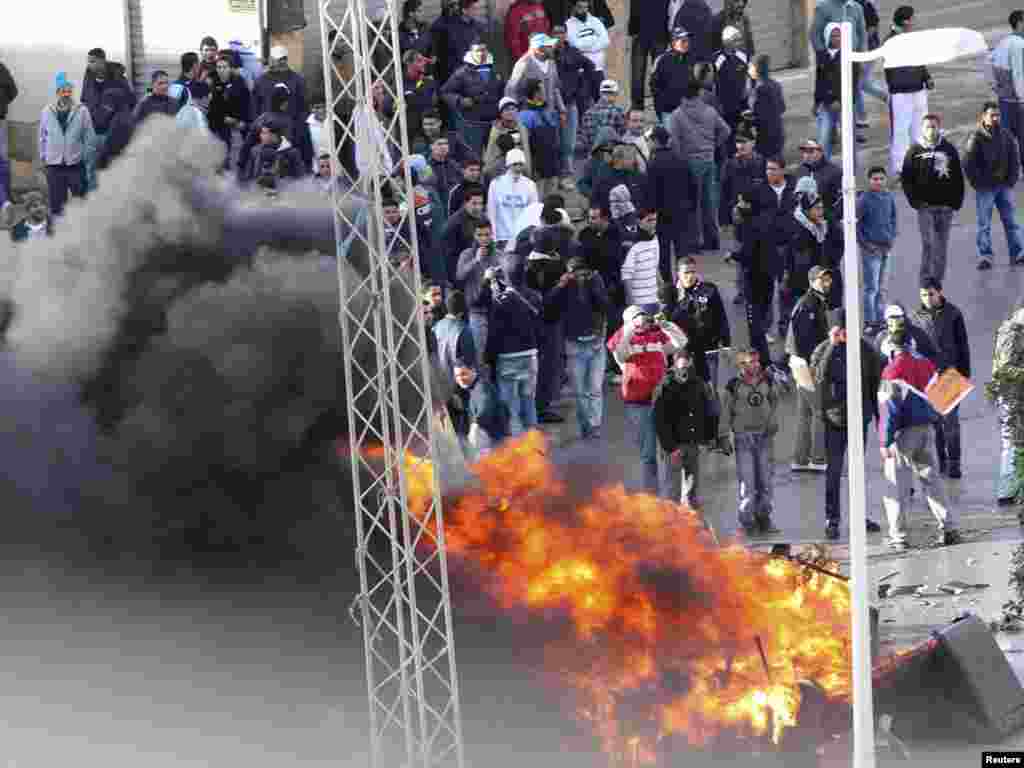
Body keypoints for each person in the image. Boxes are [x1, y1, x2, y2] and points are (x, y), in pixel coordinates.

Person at [878, 328, 961, 550]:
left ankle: (899, 536)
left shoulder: (892, 370)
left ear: (891, 348)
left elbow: (889, 410)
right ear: (911, 344)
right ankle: (949, 527)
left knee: (896, 486)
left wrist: (885, 441)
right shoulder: (926, 364)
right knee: (932, 480)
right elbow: (941, 395)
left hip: (903, 434)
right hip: (927, 430)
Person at [810, 308, 884, 540]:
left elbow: (875, 383)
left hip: (858, 417)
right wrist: (832, 346)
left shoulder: (864, 350)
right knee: (833, 472)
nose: (846, 334)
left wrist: (880, 421)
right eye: (841, 329)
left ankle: (859, 515)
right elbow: (818, 377)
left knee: (857, 471)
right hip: (834, 420)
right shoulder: (824, 349)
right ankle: (832, 519)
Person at [609, 305, 687, 493]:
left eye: (643, 316)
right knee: (648, 454)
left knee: (671, 449)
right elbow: (619, 353)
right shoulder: (624, 339)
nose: (643, 321)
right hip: (638, 403)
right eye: (638, 317)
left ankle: (672, 495)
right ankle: (652, 496)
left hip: (663, 400)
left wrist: (666, 325)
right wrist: (630, 327)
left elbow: (680, 342)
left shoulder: (656, 336)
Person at [548, 254, 611, 438]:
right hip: (574, 344)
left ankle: (594, 426)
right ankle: (586, 425)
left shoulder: (595, 283)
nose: (580, 279)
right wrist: (560, 286)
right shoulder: (564, 288)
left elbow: (606, 307)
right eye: (576, 275)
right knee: (580, 392)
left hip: (596, 344)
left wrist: (594, 287)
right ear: (569, 274)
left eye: (584, 274)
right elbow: (548, 307)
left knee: (595, 390)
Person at [912, 278, 970, 479]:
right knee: (936, 424)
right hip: (928, 377)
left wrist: (964, 374)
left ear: (939, 293)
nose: (927, 298)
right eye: (923, 295)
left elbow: (963, 345)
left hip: (950, 374)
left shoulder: (953, 314)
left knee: (951, 422)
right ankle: (942, 461)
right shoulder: (916, 317)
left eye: (930, 294)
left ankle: (954, 463)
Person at [673, 256, 731, 453]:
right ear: (678, 274)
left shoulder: (710, 289)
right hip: (684, 354)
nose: (690, 276)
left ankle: (714, 436)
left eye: (692, 272)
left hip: (709, 350)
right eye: (685, 272)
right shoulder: (671, 293)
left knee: (710, 392)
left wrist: (727, 343)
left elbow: (721, 316)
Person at [723, 347, 781, 535]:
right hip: (743, 439)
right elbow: (726, 411)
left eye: (757, 361)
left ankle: (764, 519)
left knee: (765, 482)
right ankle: (747, 522)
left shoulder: (768, 380)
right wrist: (724, 436)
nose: (756, 365)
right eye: (751, 361)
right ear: (742, 364)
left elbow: (774, 401)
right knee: (748, 484)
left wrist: (772, 422)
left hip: (764, 437)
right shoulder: (733, 385)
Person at [900, 114, 964, 284]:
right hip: (925, 207)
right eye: (927, 126)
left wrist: (955, 203)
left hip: (945, 207)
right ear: (922, 128)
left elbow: (958, 177)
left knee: (941, 246)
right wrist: (915, 202)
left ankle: (937, 280)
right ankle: (925, 279)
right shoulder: (914, 150)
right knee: (928, 244)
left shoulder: (948, 149)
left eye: (934, 126)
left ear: (939, 128)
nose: (930, 130)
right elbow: (906, 178)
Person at [669, 79, 730, 253]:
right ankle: (713, 240)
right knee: (709, 202)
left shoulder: (677, 115)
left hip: (689, 163)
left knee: (692, 204)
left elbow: (674, 143)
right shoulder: (710, 111)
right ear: (698, 93)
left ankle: (695, 241)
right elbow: (725, 131)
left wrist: (681, 159)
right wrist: (712, 145)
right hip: (708, 161)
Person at [653, 347, 715, 512]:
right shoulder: (665, 387)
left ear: (691, 363)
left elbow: (708, 412)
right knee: (672, 492)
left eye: (686, 367)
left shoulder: (699, 384)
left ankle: (692, 524)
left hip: (693, 444)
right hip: (674, 447)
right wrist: (670, 447)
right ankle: (672, 527)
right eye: (681, 368)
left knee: (693, 491)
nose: (684, 372)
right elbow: (660, 421)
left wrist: (706, 439)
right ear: (674, 366)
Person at [785, 264, 833, 473]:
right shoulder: (809, 304)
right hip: (806, 364)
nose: (826, 283)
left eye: (827, 279)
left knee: (805, 412)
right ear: (812, 281)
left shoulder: (812, 302)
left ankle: (800, 458)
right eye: (822, 279)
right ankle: (818, 457)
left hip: (801, 363)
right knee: (818, 411)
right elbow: (803, 339)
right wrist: (814, 366)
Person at [965, 101, 1023, 270]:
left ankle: (1018, 253)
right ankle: (985, 256)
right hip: (985, 189)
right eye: (992, 115)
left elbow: (1015, 160)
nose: (996, 118)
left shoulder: (1006, 135)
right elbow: (968, 164)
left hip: (1004, 187)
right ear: (983, 116)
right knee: (984, 224)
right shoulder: (975, 137)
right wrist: (979, 183)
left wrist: (1011, 180)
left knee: (1011, 222)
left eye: (998, 115)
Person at [485, 264, 542, 437]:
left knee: (511, 407)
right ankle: (534, 444)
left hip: (508, 357)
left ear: (505, 278)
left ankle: (518, 449)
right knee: (529, 401)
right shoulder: (534, 296)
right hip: (530, 355)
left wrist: (488, 358)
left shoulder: (501, 301)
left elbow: (494, 333)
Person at [885, 7, 932, 178]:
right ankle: (901, 166)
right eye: (913, 18)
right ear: (906, 21)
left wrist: (926, 77)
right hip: (902, 93)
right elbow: (893, 71)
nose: (915, 21)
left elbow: (919, 61)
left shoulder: (910, 38)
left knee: (920, 127)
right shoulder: (891, 41)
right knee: (901, 129)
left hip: (918, 90)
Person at [80, 47, 135, 192]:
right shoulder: (88, 78)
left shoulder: (118, 79)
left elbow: (131, 102)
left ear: (102, 61)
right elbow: (84, 100)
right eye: (88, 61)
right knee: (91, 171)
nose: (89, 65)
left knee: (113, 171)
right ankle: (94, 205)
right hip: (92, 134)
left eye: (92, 61)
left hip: (112, 134)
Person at [39, 72, 94, 217]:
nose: (66, 94)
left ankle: (82, 233)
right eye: (63, 91)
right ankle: (59, 236)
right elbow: (43, 137)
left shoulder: (82, 110)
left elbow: (89, 137)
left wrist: (85, 158)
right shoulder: (47, 111)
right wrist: (44, 157)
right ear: (57, 93)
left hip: (75, 165)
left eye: (69, 91)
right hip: (54, 166)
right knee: (57, 206)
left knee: (81, 204)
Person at [646, 126, 697, 283]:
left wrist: (650, 212)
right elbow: (693, 186)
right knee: (682, 252)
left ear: (655, 141)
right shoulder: (682, 159)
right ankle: (684, 282)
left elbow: (651, 192)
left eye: (649, 141)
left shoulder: (653, 163)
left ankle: (668, 285)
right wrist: (692, 207)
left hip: (662, 215)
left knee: (663, 254)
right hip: (682, 213)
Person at [440, 42, 506, 158]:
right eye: (478, 50)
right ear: (471, 53)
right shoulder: (462, 72)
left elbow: (503, 93)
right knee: (473, 157)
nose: (482, 53)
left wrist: (502, 114)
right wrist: (460, 100)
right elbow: (445, 92)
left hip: (494, 123)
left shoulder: (496, 70)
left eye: (484, 50)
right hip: (472, 124)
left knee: (496, 155)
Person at [456, 218, 504, 369]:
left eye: (487, 235)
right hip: (476, 311)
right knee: (479, 359)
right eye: (480, 235)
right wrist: (475, 261)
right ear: (474, 236)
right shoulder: (467, 254)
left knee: (499, 357)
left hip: (496, 310)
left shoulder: (498, 254)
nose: (484, 239)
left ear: (492, 234)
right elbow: (459, 277)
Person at [989, 304, 1024, 508]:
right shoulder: (1011, 334)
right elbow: (1004, 368)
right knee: (1011, 443)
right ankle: (1006, 490)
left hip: (1016, 395)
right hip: (1011, 397)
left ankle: (1013, 488)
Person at [550, 25, 595, 187]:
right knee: (554, 142)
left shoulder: (573, 52)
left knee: (568, 142)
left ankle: (567, 176)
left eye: (561, 33)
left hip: (570, 103)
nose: (558, 36)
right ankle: (555, 177)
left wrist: (581, 87)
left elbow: (590, 66)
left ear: (566, 35)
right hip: (551, 105)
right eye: (555, 33)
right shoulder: (548, 53)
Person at [857, 166, 898, 333]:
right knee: (871, 288)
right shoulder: (864, 200)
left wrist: (892, 236)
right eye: (875, 179)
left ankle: (881, 319)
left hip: (886, 248)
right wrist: (866, 245)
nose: (878, 182)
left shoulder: (889, 197)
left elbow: (893, 218)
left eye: (881, 178)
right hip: (871, 250)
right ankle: (869, 321)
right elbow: (856, 224)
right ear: (869, 180)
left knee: (882, 288)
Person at [813, 23, 861, 160]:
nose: (837, 38)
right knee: (823, 139)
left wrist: (842, 101)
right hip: (826, 104)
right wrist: (817, 102)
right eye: (833, 36)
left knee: (848, 139)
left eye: (839, 35)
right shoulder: (822, 55)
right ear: (827, 37)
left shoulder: (849, 54)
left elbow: (854, 81)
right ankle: (823, 169)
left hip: (844, 105)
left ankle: (852, 171)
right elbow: (819, 80)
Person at [516, 78, 563, 199]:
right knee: (538, 199)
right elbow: (525, 145)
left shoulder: (550, 112)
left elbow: (557, 139)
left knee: (552, 198)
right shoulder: (524, 115)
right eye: (543, 89)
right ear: (535, 93)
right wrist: (528, 169)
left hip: (553, 162)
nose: (545, 92)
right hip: (538, 165)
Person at [507, 33, 568, 122]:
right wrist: (513, 115)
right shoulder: (523, 64)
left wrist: (562, 110)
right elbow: (511, 90)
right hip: (529, 117)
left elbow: (556, 88)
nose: (553, 48)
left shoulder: (551, 63)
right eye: (549, 46)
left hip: (551, 115)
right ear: (539, 49)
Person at [207, 53, 252, 169]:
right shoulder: (213, 82)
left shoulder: (239, 82)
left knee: (236, 156)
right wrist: (223, 118)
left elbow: (246, 105)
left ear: (230, 68)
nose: (221, 70)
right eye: (219, 67)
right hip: (218, 126)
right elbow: (212, 108)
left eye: (224, 67)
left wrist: (241, 122)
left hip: (236, 125)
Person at [713, 26, 752, 157]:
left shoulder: (743, 56)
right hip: (726, 106)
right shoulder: (717, 59)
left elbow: (750, 76)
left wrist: (748, 93)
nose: (740, 43)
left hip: (741, 105)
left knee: (743, 135)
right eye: (736, 40)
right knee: (728, 136)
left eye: (740, 40)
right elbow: (712, 81)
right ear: (727, 41)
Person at [488, 148, 539, 247]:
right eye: (515, 164)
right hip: (502, 237)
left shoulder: (530, 185)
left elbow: (534, 213)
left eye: (520, 164)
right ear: (508, 165)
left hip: (522, 238)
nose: (518, 168)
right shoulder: (496, 183)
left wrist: (531, 235)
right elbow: (492, 211)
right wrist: (493, 236)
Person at [990, 10, 1024, 160]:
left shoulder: (1003, 42)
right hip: (1018, 100)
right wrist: (1022, 98)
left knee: (1006, 136)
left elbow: (988, 63)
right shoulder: (1019, 44)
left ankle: (1007, 169)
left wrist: (995, 86)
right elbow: (1019, 74)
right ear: (1020, 23)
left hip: (1004, 99)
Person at [431, 0, 487, 87]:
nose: (477, 11)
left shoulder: (477, 26)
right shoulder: (450, 28)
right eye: (473, 8)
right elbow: (454, 54)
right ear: (464, 10)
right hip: (458, 74)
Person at [432, 290, 478, 395]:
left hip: (440, 383)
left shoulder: (435, 327)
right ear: (462, 312)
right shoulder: (463, 329)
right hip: (459, 385)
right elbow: (469, 360)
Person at [628, 0, 671, 110]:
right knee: (659, 72)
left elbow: (634, 7)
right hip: (660, 31)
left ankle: (637, 107)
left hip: (641, 30)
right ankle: (660, 105)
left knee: (638, 72)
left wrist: (633, 30)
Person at [442, 183, 486, 288]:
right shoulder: (454, 224)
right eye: (474, 204)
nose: (478, 207)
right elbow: (448, 256)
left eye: (480, 204)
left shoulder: (483, 219)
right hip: (461, 277)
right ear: (466, 203)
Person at [566, 0, 611, 100]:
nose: (583, 10)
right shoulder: (568, 25)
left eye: (586, 7)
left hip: (598, 69)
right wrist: (595, 40)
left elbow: (606, 41)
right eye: (580, 7)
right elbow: (576, 45)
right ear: (574, 8)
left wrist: (587, 47)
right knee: (584, 105)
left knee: (602, 102)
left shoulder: (595, 21)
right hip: (582, 72)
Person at [650, 28, 694, 124]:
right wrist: (663, 106)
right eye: (683, 41)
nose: (687, 44)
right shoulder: (662, 60)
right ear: (673, 42)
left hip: (688, 113)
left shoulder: (691, 60)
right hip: (668, 113)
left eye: (687, 40)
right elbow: (654, 86)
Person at [620, 206, 660, 312]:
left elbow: (655, 267)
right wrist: (631, 301)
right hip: (639, 301)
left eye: (655, 219)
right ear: (639, 222)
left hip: (654, 298)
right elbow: (626, 275)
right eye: (649, 220)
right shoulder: (632, 244)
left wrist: (661, 288)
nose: (653, 223)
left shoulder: (655, 239)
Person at [483, 98, 533, 180]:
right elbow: (488, 155)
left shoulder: (524, 129)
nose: (510, 112)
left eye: (513, 109)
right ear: (501, 113)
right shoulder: (492, 129)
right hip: (498, 174)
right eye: (506, 109)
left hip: (521, 173)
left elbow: (527, 152)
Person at [747, 54, 785, 160]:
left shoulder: (758, 90)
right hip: (778, 132)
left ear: (756, 69)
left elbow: (755, 115)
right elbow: (782, 108)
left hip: (765, 137)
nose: (748, 70)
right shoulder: (776, 85)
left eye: (750, 67)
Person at [796, 137, 841, 225]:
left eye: (811, 151)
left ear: (821, 152)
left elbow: (840, 202)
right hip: (803, 222)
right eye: (804, 151)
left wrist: (829, 219)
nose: (806, 155)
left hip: (826, 222)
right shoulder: (801, 170)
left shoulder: (835, 172)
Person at [577, 79, 625, 156]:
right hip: (612, 157)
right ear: (615, 94)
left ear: (600, 93)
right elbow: (622, 136)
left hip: (592, 158)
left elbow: (583, 139)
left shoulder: (587, 113)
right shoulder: (618, 112)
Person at [672, 0, 714, 65]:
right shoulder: (706, 9)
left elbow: (677, 31)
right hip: (703, 54)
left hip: (688, 55)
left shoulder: (684, 9)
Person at [0, 55, 16, 216]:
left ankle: (6, 200)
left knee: (3, 161)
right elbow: (13, 92)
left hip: (0, 119)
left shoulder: (1, 68)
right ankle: (6, 200)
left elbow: (13, 91)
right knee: (3, 161)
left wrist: (2, 104)